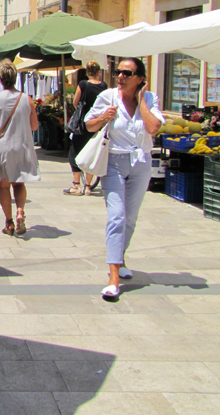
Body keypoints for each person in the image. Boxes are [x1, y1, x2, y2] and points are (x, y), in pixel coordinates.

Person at [85, 57, 163, 300]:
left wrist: (141, 100)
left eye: (127, 73)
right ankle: (113, 278)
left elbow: (153, 128)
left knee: (130, 218)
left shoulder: (150, 99)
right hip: (114, 162)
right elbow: (89, 125)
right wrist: (104, 118)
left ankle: (120, 259)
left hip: (141, 163)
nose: (120, 76)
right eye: (118, 71)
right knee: (117, 216)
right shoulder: (107, 97)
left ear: (140, 79)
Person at [0, 59, 39, 237]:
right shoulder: (27, 99)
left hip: (2, 148)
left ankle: (9, 222)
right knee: (19, 183)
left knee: (4, 186)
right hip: (22, 146)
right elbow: (34, 126)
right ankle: (20, 211)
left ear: (0, 79)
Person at [65, 61, 107, 196]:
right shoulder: (104, 86)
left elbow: (76, 102)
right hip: (97, 123)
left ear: (87, 72)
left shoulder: (83, 84)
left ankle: (76, 185)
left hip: (83, 124)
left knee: (75, 152)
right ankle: (88, 186)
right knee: (92, 153)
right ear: (99, 72)